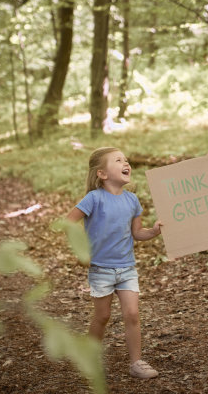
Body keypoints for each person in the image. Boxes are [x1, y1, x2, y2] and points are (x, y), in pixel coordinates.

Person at [66, 147, 162, 378]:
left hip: (127, 268)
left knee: (132, 314)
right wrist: (81, 252)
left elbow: (137, 233)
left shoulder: (132, 200)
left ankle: (136, 362)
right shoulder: (94, 198)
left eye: (126, 160)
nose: (125, 163)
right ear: (102, 173)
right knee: (102, 316)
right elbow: (69, 222)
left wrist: (155, 231)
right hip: (100, 269)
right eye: (118, 160)